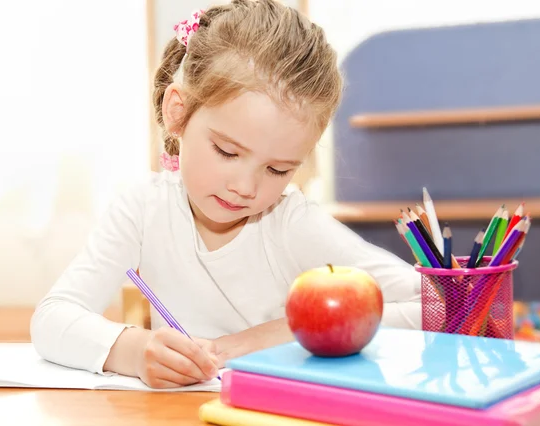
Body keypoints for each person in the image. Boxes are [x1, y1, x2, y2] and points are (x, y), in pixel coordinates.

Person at [31, 0, 421, 389]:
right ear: (177, 113)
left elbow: (437, 304)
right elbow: (53, 317)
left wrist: (276, 333)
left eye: (278, 170)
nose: (246, 188)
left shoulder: (290, 224)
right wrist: (132, 349)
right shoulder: (142, 207)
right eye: (227, 152)